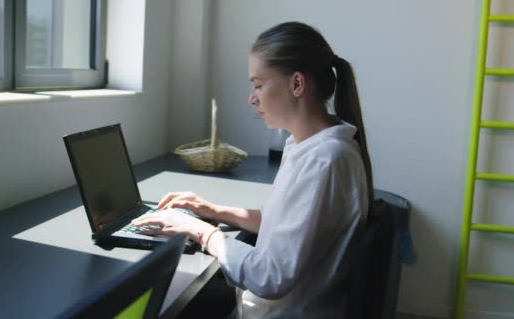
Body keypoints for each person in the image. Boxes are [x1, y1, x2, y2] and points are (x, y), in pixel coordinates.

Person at [131, 21, 373, 319]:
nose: (252, 97)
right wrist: (212, 209)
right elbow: (282, 223)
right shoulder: (310, 147)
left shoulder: (324, 161)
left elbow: (270, 276)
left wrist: (199, 231)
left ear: (297, 84)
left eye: (258, 84)